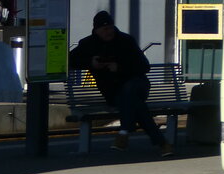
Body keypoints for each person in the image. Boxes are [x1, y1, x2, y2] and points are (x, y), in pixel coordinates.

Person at [68, 11, 173, 156]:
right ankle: (161, 144)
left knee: (130, 89)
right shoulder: (87, 44)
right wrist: (90, 62)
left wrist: (120, 67)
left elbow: (144, 66)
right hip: (113, 92)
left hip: (138, 85)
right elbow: (69, 61)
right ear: (96, 30)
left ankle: (125, 131)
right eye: (104, 29)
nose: (108, 32)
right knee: (136, 104)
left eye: (110, 27)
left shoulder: (126, 40)